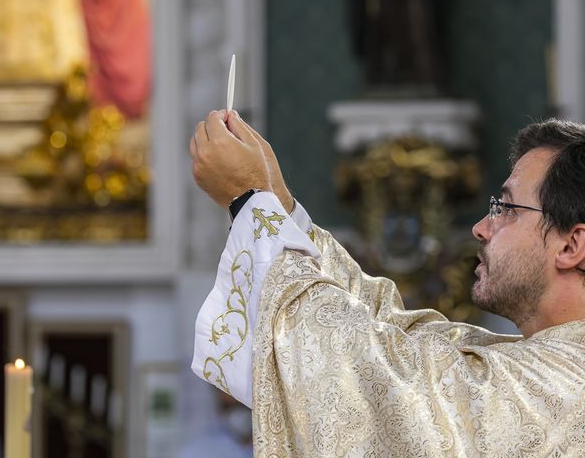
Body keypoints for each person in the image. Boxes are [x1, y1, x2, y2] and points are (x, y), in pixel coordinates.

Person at [189, 111, 585, 457]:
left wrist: (250, 200)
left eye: (508, 210)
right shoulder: (545, 366)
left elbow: (373, 370)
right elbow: (395, 337)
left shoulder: (561, 387)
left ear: (571, 244)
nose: (481, 228)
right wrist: (278, 206)